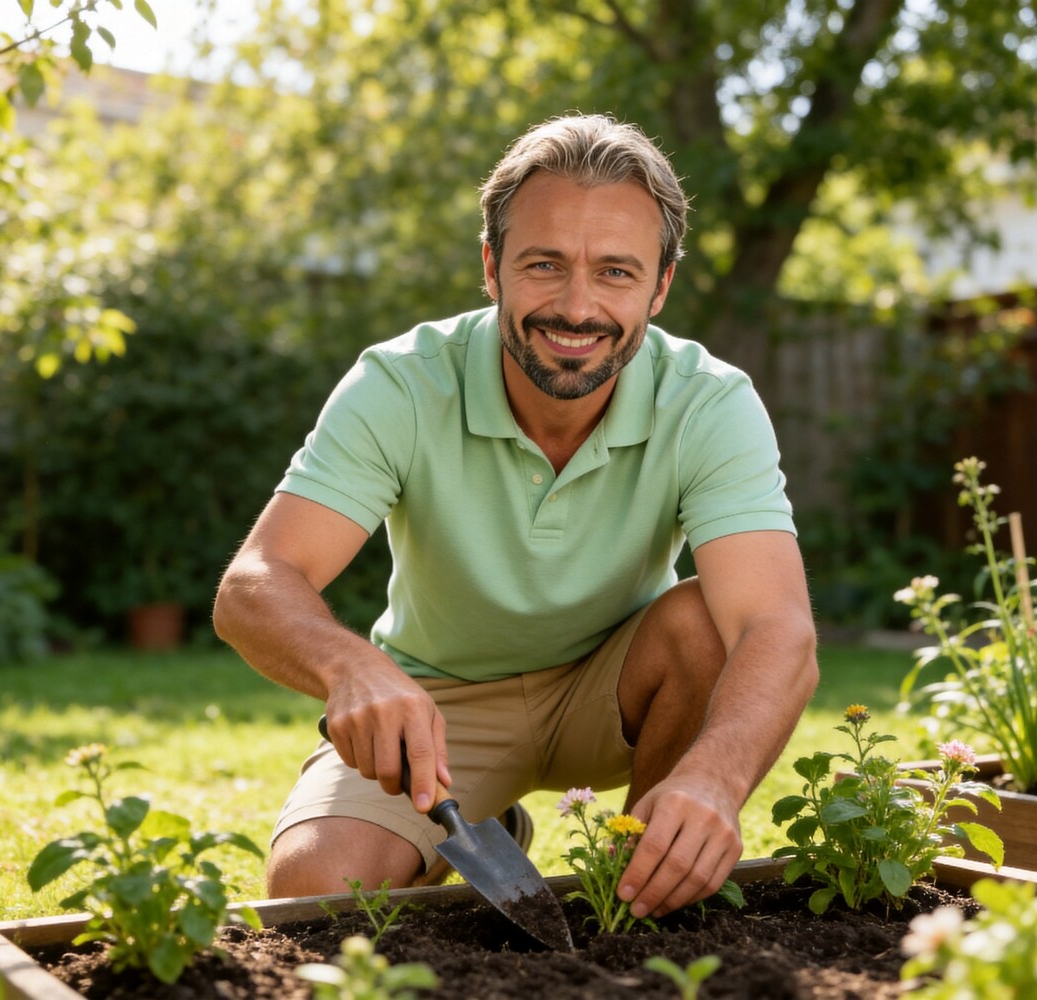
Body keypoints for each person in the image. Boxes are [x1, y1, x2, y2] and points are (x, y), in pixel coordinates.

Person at [213, 113, 817, 920]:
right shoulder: (400, 384)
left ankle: (640, 876)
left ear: (660, 285)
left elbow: (779, 628)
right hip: (438, 709)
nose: (577, 307)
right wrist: (350, 667)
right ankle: (483, 821)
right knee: (319, 894)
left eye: (615, 273)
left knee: (710, 619)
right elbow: (253, 584)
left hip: (620, 689)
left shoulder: (708, 401)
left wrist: (716, 778)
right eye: (545, 264)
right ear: (492, 266)